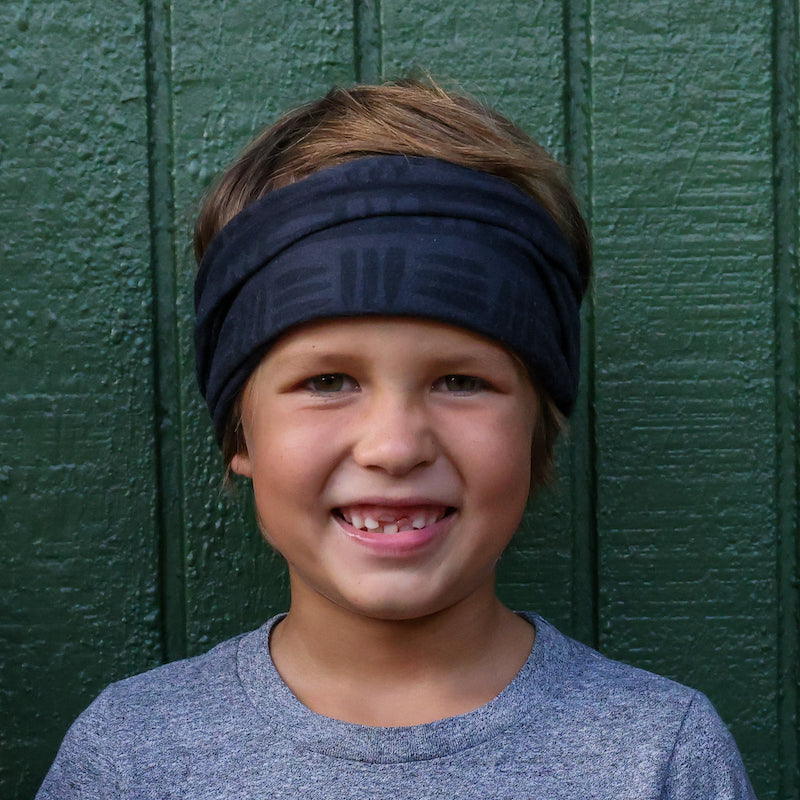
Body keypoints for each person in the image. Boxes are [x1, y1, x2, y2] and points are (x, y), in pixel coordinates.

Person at [37, 78, 756, 798]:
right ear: (239, 430)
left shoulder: (656, 753)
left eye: (460, 382)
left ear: (539, 430)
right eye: (326, 382)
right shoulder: (134, 755)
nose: (394, 446)